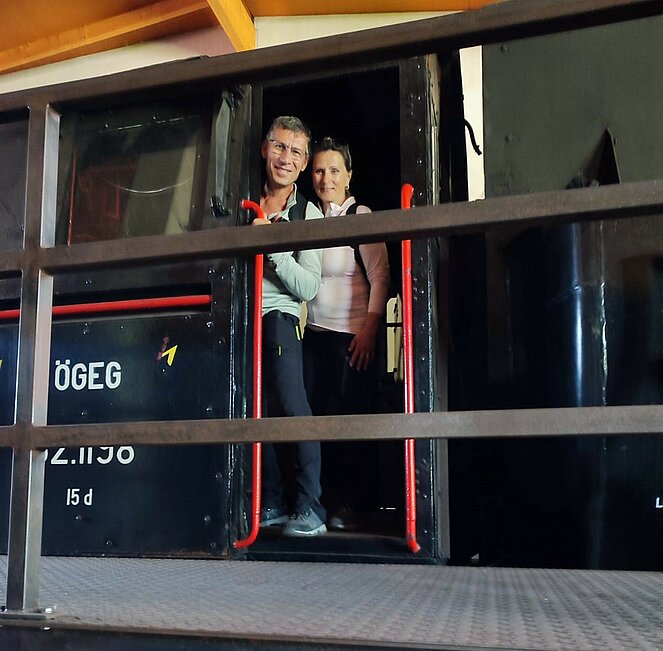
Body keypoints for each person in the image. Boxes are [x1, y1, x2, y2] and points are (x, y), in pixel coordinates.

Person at [304, 137, 390, 530]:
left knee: (348, 422)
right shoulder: (308, 217)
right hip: (314, 338)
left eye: (334, 170)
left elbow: (381, 276)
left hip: (351, 338)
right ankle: (321, 503)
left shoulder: (361, 215)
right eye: (320, 170)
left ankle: (349, 506)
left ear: (349, 175)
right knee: (316, 422)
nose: (327, 178)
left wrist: (371, 329)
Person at [252, 116, 326, 537]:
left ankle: (310, 506)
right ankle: (273, 501)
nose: (286, 158)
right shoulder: (241, 198)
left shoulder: (307, 213)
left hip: (279, 318)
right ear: (265, 148)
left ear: (303, 163)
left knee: (292, 407)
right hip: (238, 317)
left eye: (296, 152)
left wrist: (272, 249)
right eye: (280, 147)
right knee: (252, 411)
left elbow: (309, 287)